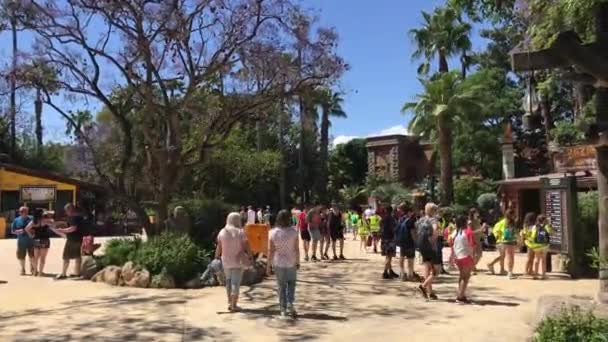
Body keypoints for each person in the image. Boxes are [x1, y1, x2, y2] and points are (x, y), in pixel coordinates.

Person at [215, 212, 252, 312]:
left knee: (228, 281)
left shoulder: (222, 231)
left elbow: (219, 246)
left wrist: (216, 257)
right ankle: (234, 304)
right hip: (238, 261)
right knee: (235, 282)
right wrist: (250, 256)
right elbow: (246, 245)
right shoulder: (240, 232)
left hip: (226, 260)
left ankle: (229, 302)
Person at [267, 210, 300, 319]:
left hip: (278, 262)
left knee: (281, 286)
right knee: (291, 284)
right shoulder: (294, 232)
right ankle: (290, 302)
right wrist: (298, 262)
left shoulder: (272, 233)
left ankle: (283, 309)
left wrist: (268, 265)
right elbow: (296, 249)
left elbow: (270, 251)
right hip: (291, 261)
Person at [54, 204, 84, 280]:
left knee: (66, 256)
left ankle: (64, 273)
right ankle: (77, 273)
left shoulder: (73, 218)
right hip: (79, 238)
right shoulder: (80, 217)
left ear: (70, 209)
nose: (66, 212)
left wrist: (62, 230)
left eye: (66, 210)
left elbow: (73, 228)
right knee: (78, 257)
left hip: (72, 239)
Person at [417, 203, 440, 300]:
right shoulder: (433, 220)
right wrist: (433, 239)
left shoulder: (421, 220)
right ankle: (423, 286)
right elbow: (435, 230)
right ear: (433, 211)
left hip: (422, 246)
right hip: (430, 247)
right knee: (437, 270)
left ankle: (430, 292)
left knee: (427, 268)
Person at [487, 209, 518, 279]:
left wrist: (499, 236)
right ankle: (492, 264)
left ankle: (501, 269)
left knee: (503, 256)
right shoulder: (509, 222)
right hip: (504, 241)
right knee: (505, 256)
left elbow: (495, 231)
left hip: (501, 241)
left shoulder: (501, 222)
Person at [452, 215, 475, 304]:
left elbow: (450, 242)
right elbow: (472, 244)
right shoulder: (468, 232)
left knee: (462, 276)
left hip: (458, 256)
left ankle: (461, 294)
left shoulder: (455, 232)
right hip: (466, 255)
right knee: (465, 277)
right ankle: (460, 296)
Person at [25, 209, 52, 276]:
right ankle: (40, 273)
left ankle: (34, 272)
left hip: (36, 239)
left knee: (36, 258)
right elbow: (53, 223)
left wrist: (31, 235)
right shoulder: (45, 221)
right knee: (42, 258)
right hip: (45, 240)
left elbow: (26, 228)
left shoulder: (33, 221)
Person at [396, 203, 417, 281]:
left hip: (402, 241)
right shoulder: (411, 220)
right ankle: (410, 275)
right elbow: (413, 232)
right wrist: (416, 241)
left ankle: (402, 274)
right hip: (410, 242)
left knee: (402, 257)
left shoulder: (400, 219)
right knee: (410, 259)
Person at [11, 206, 34, 276]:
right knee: (21, 256)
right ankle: (23, 269)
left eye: (25, 211)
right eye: (22, 211)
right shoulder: (16, 220)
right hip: (21, 241)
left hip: (31, 241)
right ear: (20, 213)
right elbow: (13, 231)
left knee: (32, 256)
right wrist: (19, 231)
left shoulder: (32, 218)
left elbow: (36, 228)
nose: (24, 213)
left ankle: (32, 268)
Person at [529, 215, 552, 280]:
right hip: (545, 245)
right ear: (544, 220)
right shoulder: (546, 226)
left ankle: (535, 274)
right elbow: (551, 232)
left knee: (537, 259)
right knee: (543, 260)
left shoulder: (534, 227)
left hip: (537, 245)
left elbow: (532, 235)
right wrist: (549, 224)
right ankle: (543, 275)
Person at [380, 206, 398, 279]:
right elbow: (394, 229)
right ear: (391, 211)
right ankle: (385, 272)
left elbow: (380, 228)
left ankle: (390, 271)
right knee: (389, 256)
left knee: (387, 256)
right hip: (390, 239)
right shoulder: (392, 219)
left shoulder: (382, 219)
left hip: (384, 239)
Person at [468, 208, 484, 273]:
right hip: (473, 239)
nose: (477, 213)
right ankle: (472, 267)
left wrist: (482, 231)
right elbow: (469, 232)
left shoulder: (477, 220)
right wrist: (480, 230)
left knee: (479, 254)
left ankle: (472, 266)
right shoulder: (470, 222)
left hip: (478, 239)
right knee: (474, 254)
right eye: (476, 212)